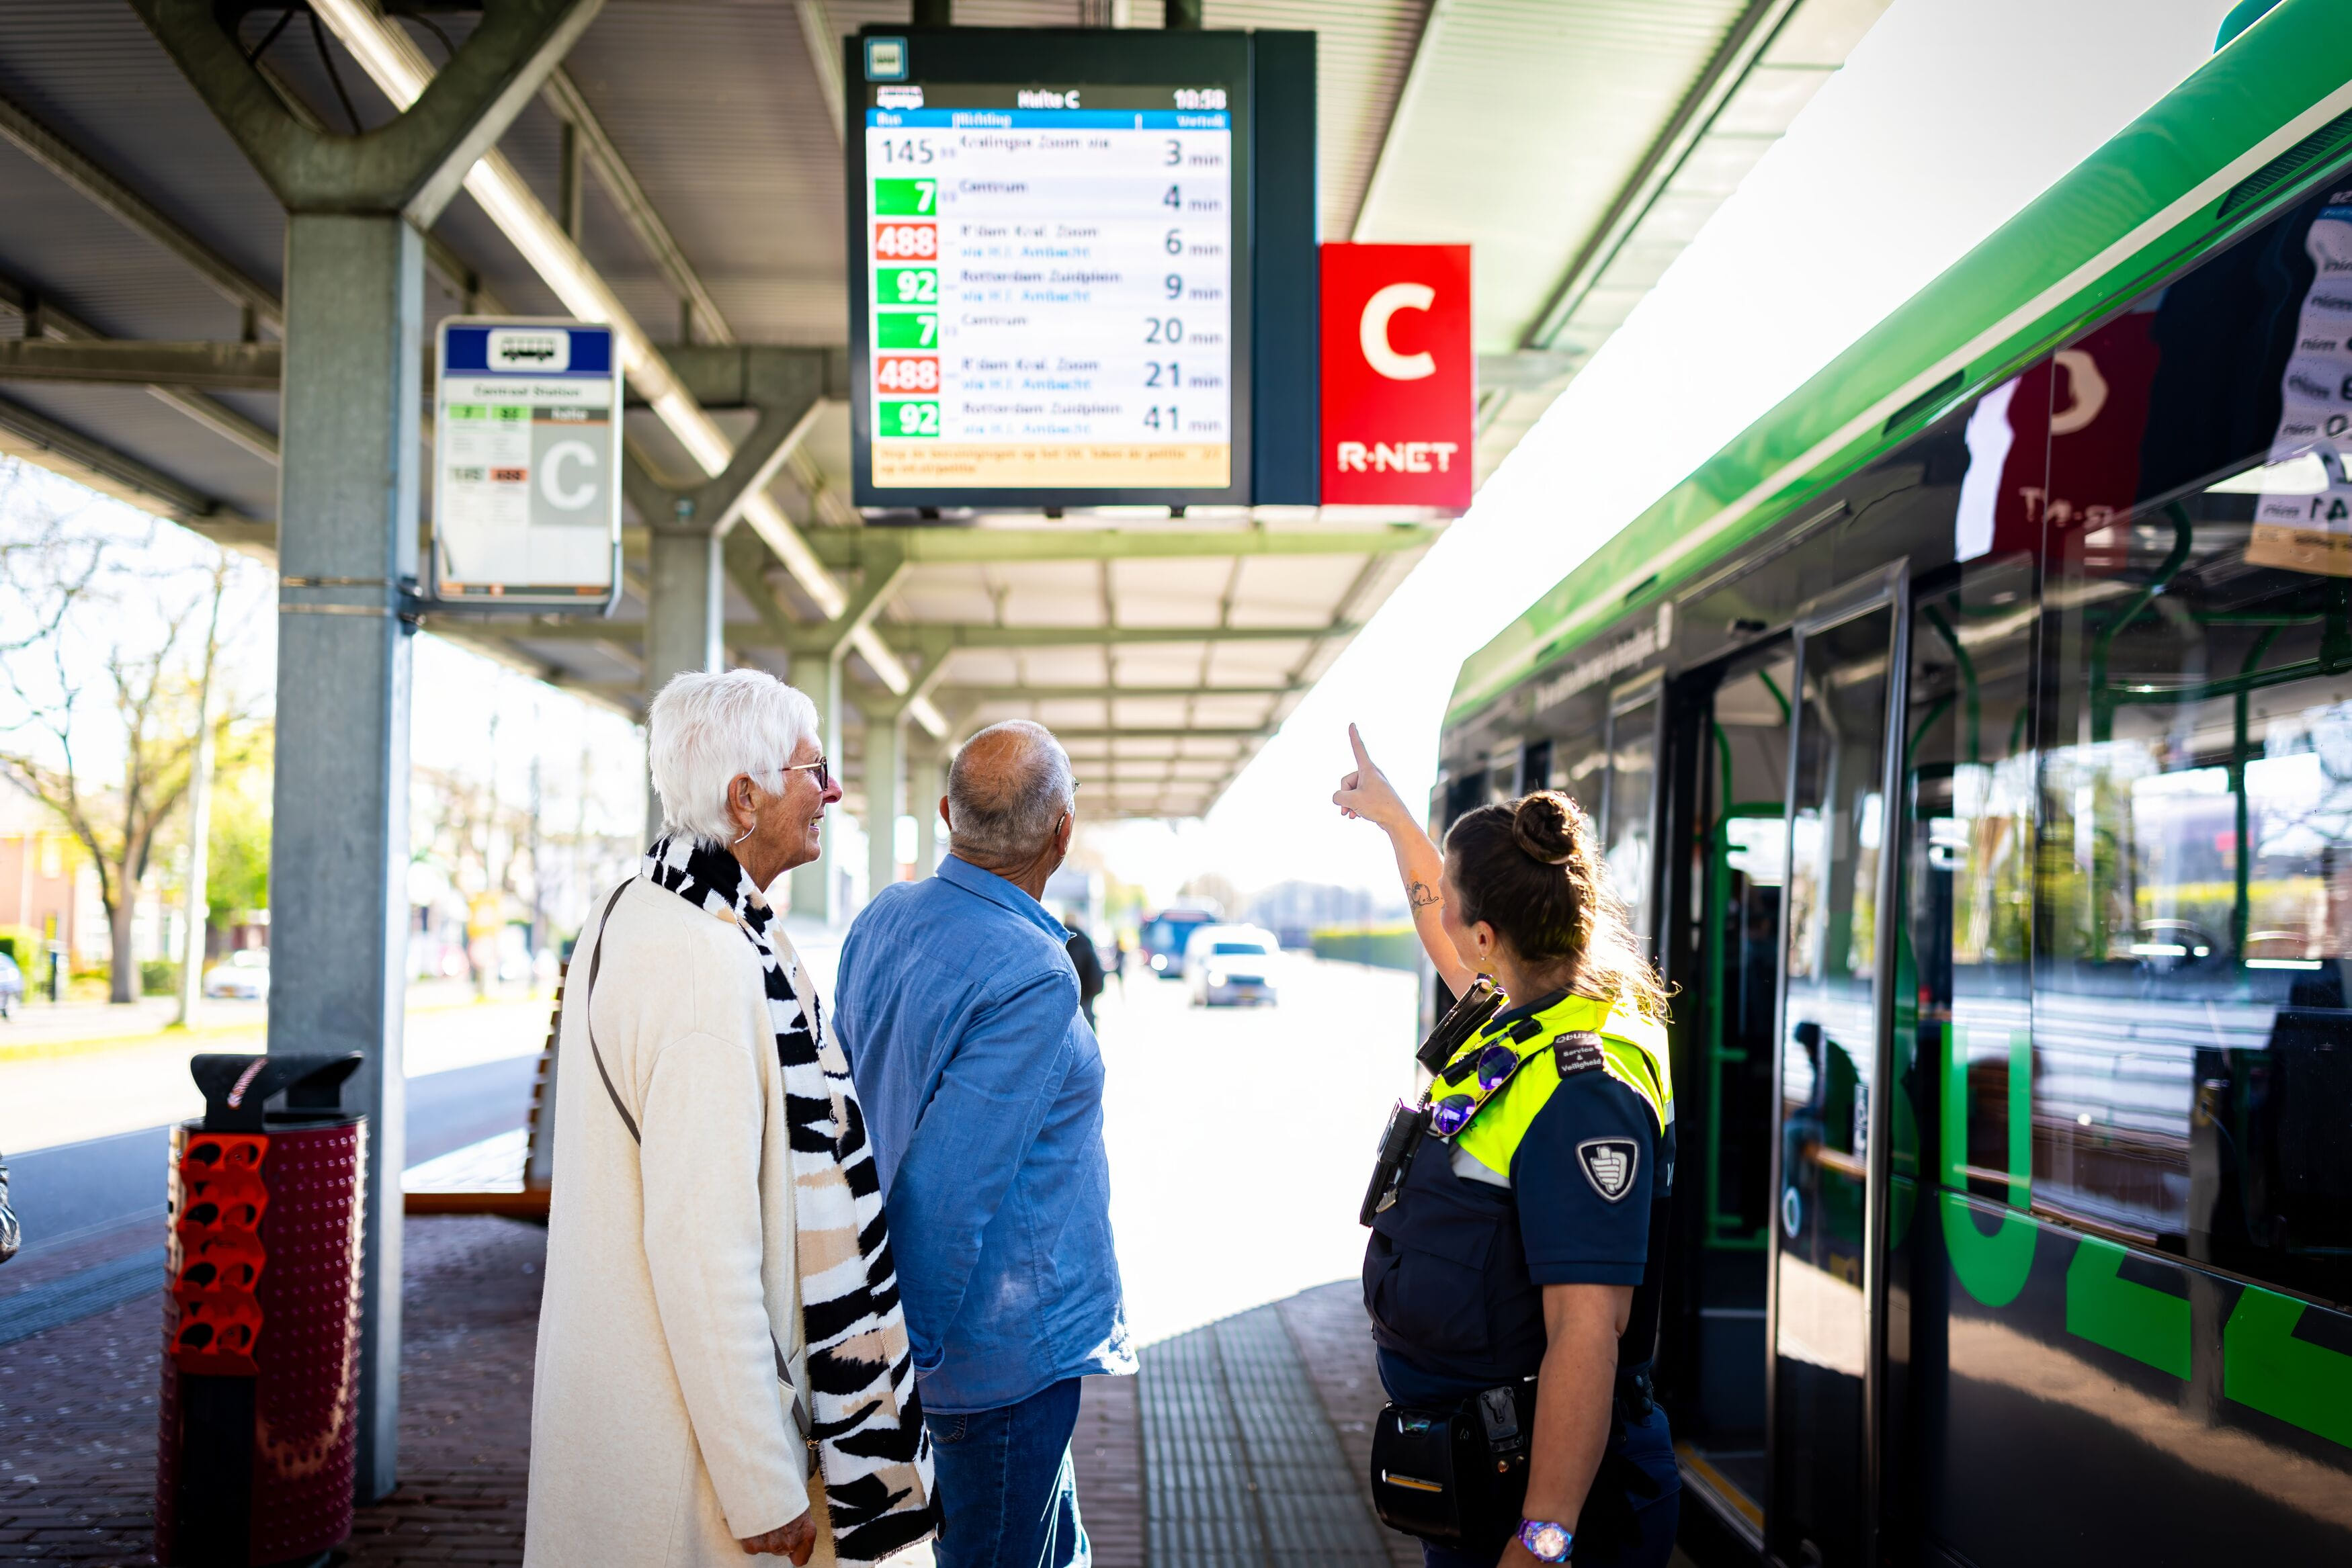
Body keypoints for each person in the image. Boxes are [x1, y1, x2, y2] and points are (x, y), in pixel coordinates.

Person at [526, 670, 935, 1568]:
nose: (832, 791)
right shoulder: (708, 964)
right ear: (744, 797)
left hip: (637, 1410)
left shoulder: (636, 906)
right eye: (813, 770)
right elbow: (702, 1247)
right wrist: (762, 1482)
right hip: (690, 1466)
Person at [1336, 724, 1680, 1568]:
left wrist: (1543, 1536)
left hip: (1536, 1500)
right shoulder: (1522, 1006)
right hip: (1479, 1465)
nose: (1440, 913)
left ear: (1487, 936)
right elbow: (1439, 916)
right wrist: (1394, 820)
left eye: (1453, 900)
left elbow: (1586, 1332)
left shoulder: (1583, 1090)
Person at [834, 720, 1134, 1568]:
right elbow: (944, 1195)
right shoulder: (1033, 973)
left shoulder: (883, 917)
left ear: (946, 814)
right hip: (991, 1368)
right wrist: (900, 1375)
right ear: (1062, 833)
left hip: (970, 1353)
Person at [1064, 922, 1105, 1029]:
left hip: (1066, 1006)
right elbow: (1098, 982)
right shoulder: (1086, 944)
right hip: (1086, 1002)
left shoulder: (1060, 947)